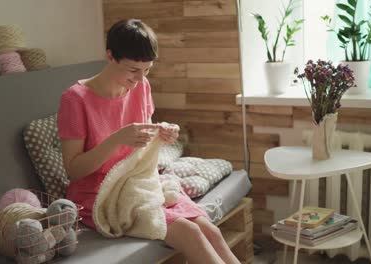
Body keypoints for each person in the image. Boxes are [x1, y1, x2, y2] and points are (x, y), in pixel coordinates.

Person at [57, 18, 240, 264]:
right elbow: (74, 170)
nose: (140, 78)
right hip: (98, 195)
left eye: (147, 70)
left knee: (212, 232)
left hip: (138, 183)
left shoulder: (141, 85)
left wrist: (162, 132)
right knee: (191, 233)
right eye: (133, 70)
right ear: (110, 56)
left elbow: (146, 135)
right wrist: (116, 140)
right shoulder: (75, 99)